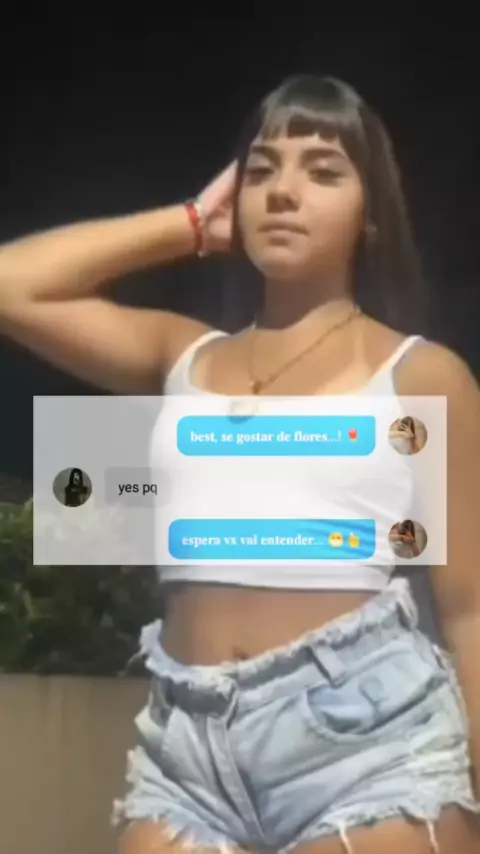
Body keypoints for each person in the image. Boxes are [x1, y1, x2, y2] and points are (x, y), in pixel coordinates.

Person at [0, 74, 479, 853]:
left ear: (370, 215)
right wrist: (190, 223)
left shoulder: (422, 376)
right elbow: (11, 286)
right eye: (262, 170)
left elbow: (470, 611)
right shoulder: (182, 357)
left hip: (370, 747)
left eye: (323, 171)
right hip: (185, 754)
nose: (284, 190)